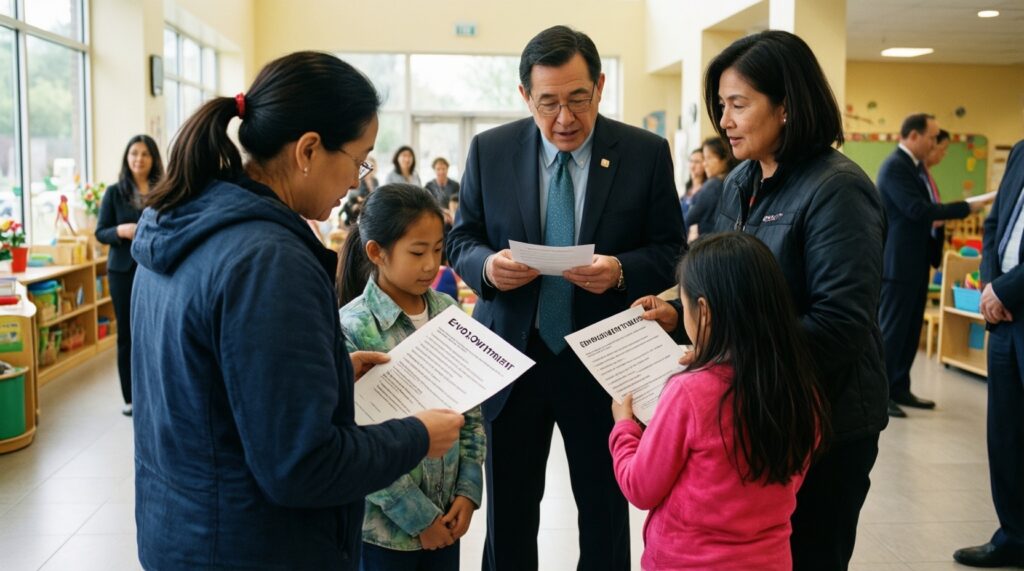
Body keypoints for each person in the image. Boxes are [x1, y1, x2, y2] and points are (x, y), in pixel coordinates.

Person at [129, 51, 465, 570]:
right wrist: (416, 436)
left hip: (184, 529)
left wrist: (326, 374)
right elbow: (300, 465)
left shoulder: (181, 228)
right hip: (253, 544)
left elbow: (211, 389)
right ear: (308, 149)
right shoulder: (269, 259)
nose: (356, 181)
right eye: (358, 160)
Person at [634, 30, 888, 570]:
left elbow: (841, 322)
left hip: (820, 421)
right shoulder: (741, 181)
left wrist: (726, 350)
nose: (723, 121)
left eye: (738, 105)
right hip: (752, 409)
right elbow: (728, 283)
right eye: (721, 105)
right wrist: (681, 311)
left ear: (787, 107)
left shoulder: (836, 189)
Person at [446, 25, 684, 570]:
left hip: (604, 361)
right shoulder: (491, 150)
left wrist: (621, 271)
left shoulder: (644, 153)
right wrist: (486, 267)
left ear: (600, 86)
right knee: (509, 512)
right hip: (512, 356)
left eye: (578, 99)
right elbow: (462, 236)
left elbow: (671, 246)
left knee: (603, 509)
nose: (565, 118)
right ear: (525, 96)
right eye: (548, 102)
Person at [611, 232, 828, 570]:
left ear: (704, 312)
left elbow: (640, 486)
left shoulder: (689, 393)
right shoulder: (801, 389)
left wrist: (624, 427)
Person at [337, 184, 485, 571]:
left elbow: (470, 411)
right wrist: (420, 519)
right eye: (417, 252)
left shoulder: (448, 311)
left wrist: (468, 492)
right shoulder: (352, 328)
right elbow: (357, 441)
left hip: (448, 516)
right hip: (384, 531)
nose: (430, 265)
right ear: (376, 252)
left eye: (438, 250)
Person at [877, 115, 990, 418]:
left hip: (916, 261)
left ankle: (900, 387)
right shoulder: (895, 167)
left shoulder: (916, 169)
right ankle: (881, 394)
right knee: (892, 330)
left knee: (910, 329)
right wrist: (969, 206)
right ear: (913, 136)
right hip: (897, 263)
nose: (935, 143)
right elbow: (918, 210)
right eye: (932, 136)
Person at [953, 139, 1024, 568]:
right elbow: (994, 223)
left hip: (1013, 299)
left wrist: (1004, 289)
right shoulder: (1020, 151)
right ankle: (1013, 536)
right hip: (1004, 318)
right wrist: (988, 286)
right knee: (1006, 436)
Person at [94, 134, 164, 417]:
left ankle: (157, 393)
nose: (139, 159)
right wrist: (121, 231)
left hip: (156, 268)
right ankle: (132, 398)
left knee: (157, 332)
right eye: (134, 153)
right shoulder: (114, 192)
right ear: (127, 157)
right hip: (123, 271)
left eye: (145, 154)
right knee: (128, 334)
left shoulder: (165, 188)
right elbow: (100, 232)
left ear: (154, 159)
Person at [685, 136, 738, 242]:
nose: (705, 164)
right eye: (704, 159)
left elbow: (690, 218)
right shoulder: (734, 180)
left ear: (724, 159)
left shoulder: (713, 185)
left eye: (709, 158)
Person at [679, 147, 705, 223]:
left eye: (697, 162)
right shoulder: (688, 187)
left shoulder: (706, 189)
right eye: (691, 161)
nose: (692, 166)